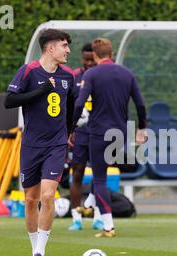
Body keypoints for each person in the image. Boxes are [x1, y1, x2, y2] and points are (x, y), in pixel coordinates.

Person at [4, 29, 75, 256]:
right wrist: (40, 91)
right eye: (64, 45)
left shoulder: (68, 76)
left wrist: (69, 133)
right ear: (49, 48)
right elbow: (9, 101)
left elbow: (71, 107)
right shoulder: (29, 71)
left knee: (48, 196)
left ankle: (40, 253)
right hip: (31, 145)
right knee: (31, 199)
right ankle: (34, 248)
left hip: (56, 145)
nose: (68, 50)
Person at [71, 38, 147, 237]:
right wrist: (142, 128)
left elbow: (79, 104)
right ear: (111, 53)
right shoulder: (127, 73)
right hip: (120, 133)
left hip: (98, 132)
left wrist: (69, 128)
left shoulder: (92, 73)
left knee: (99, 178)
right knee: (102, 171)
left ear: (95, 55)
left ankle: (108, 226)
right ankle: (88, 204)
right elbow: (140, 104)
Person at [68, 43, 104, 231]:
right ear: (82, 58)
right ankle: (76, 218)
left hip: (99, 132)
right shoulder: (74, 76)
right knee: (77, 174)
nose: (89, 63)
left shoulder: (102, 77)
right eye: (86, 59)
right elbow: (69, 104)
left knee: (99, 175)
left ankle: (98, 216)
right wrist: (70, 129)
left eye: (92, 59)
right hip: (80, 134)